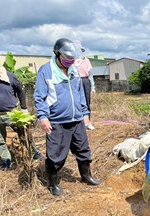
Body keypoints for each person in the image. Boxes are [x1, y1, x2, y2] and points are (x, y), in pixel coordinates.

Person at [34, 38, 101, 196]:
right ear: (57, 54)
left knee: (83, 150)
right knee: (55, 155)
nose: (70, 62)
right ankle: (53, 184)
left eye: (72, 59)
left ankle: (86, 176)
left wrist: (85, 114)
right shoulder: (46, 71)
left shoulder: (74, 70)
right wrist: (43, 117)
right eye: (67, 58)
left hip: (77, 120)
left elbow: (80, 95)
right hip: (57, 122)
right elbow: (39, 97)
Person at [0, 52, 42, 171]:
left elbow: (20, 91)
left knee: (24, 133)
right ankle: (6, 160)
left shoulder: (9, 76)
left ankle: (34, 152)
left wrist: (23, 108)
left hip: (12, 113)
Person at [74, 40, 96, 130]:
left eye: (81, 50)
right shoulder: (73, 61)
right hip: (75, 81)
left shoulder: (87, 61)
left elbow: (90, 75)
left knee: (86, 102)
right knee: (76, 102)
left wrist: (93, 87)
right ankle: (77, 123)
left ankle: (87, 122)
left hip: (85, 81)